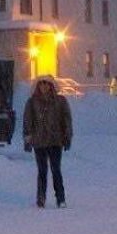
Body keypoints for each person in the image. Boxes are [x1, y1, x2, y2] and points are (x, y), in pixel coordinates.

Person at [23, 75, 73, 209]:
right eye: (41, 83)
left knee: (56, 170)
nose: (44, 86)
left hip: (55, 141)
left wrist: (67, 136)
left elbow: (66, 120)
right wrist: (27, 139)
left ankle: (60, 198)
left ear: (51, 85)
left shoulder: (60, 101)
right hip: (39, 142)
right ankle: (41, 198)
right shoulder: (32, 102)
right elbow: (28, 121)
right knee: (42, 170)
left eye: (46, 83)